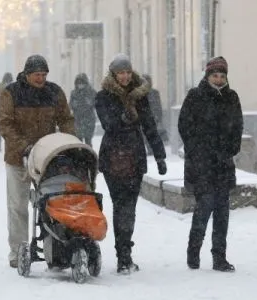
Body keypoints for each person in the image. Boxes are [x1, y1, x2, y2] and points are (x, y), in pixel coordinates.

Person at [0, 55, 75, 268]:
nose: (41, 79)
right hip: (18, 158)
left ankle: (56, 248)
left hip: (47, 156)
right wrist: (24, 146)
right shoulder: (11, 93)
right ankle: (17, 251)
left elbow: (66, 119)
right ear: (27, 74)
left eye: (44, 75)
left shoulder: (54, 92)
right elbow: (5, 124)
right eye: (37, 75)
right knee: (17, 205)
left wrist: (68, 141)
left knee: (53, 201)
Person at [95, 54, 167, 274]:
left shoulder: (140, 95)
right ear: (113, 75)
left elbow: (150, 126)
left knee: (130, 208)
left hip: (134, 155)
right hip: (113, 156)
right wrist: (123, 119)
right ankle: (122, 256)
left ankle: (126, 253)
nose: (125, 77)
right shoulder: (103, 96)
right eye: (120, 73)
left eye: (127, 72)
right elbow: (108, 124)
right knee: (120, 205)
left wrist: (159, 155)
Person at [178, 56, 243, 272]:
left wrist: (231, 148)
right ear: (207, 76)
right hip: (201, 164)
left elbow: (238, 126)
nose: (218, 79)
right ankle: (193, 252)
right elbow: (184, 125)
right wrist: (197, 150)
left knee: (222, 211)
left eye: (222, 75)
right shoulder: (195, 96)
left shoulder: (231, 97)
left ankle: (219, 257)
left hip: (223, 163)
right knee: (204, 208)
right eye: (215, 75)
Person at [69, 73, 97, 146]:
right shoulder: (74, 93)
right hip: (78, 120)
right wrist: (73, 105)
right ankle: (79, 156)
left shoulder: (92, 92)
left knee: (88, 141)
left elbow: (97, 104)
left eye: (82, 82)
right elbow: (70, 105)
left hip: (88, 120)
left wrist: (90, 103)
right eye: (78, 82)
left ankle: (89, 156)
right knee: (78, 141)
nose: (80, 84)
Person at [142, 74, 166, 155]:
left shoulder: (154, 92)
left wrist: (159, 117)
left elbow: (158, 106)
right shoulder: (138, 94)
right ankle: (148, 149)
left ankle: (150, 150)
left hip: (152, 118)